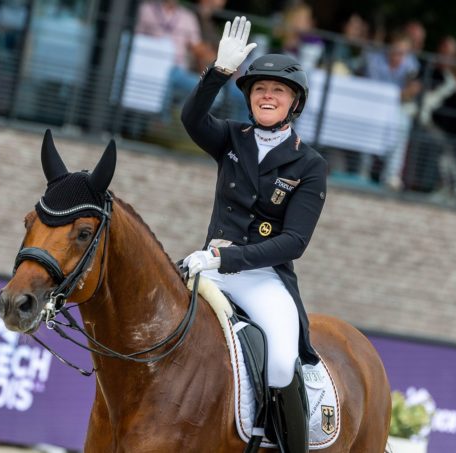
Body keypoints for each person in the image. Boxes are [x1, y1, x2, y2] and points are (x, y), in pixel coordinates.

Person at [180, 16, 326, 453]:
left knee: (281, 364)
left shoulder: (309, 165)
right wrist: (218, 72)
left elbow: (294, 242)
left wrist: (225, 259)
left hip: (264, 276)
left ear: (293, 103)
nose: (267, 95)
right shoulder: (230, 138)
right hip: (209, 266)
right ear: (248, 98)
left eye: (277, 91)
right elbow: (190, 118)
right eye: (259, 89)